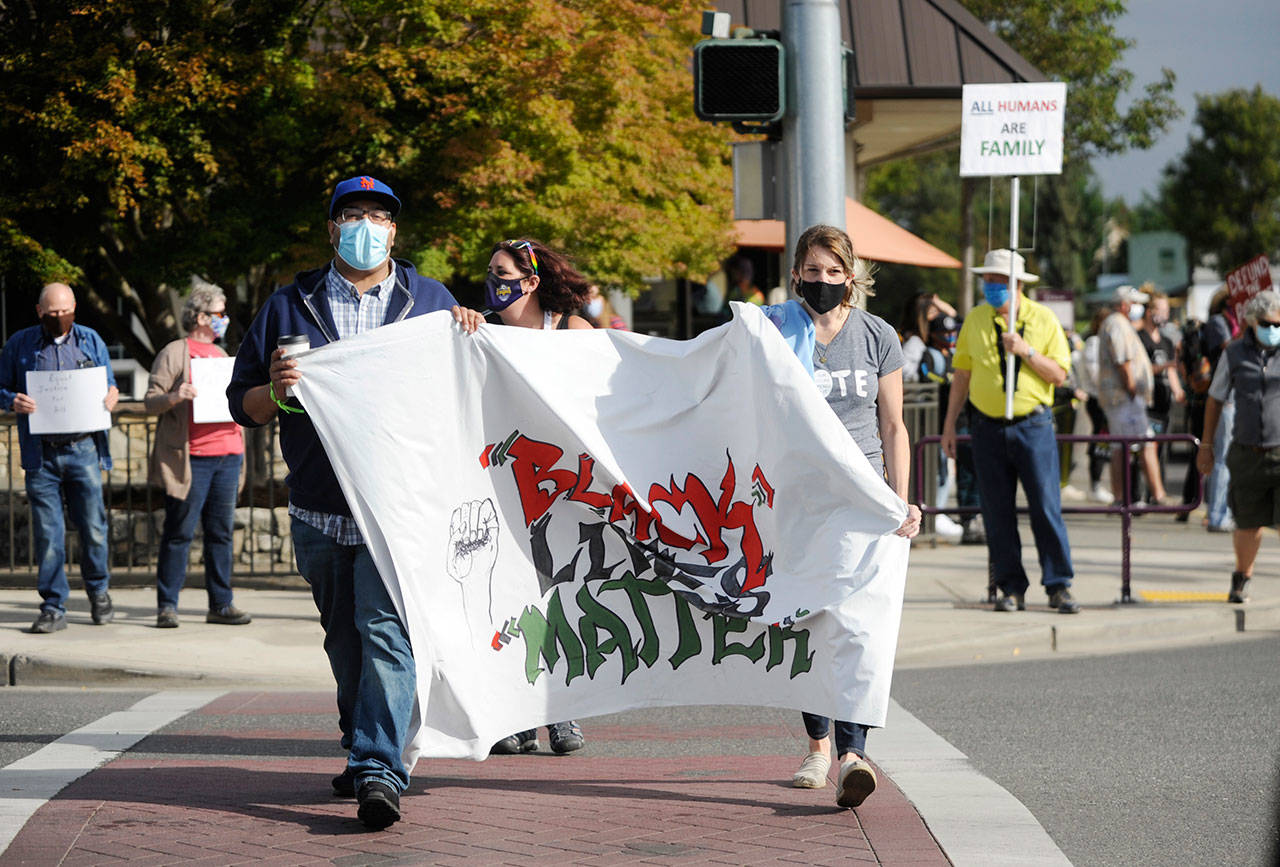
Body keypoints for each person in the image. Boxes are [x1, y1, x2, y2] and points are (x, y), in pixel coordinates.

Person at [227, 175, 483, 831]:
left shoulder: (429, 302)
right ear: (332, 228)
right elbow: (244, 402)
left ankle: (377, 769)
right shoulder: (290, 305)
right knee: (346, 644)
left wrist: (472, 329)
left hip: (397, 511)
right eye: (352, 214)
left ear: (395, 230)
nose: (365, 225)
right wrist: (274, 388)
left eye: (378, 215)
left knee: (385, 636)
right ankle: (364, 739)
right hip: (318, 508)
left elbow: (471, 379)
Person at [762, 224, 921, 810]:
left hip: (864, 500)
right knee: (810, 620)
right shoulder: (778, 328)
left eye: (834, 272)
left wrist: (903, 500)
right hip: (802, 494)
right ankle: (818, 746)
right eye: (812, 270)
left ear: (851, 276)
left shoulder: (878, 334)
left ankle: (855, 753)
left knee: (861, 625)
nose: (822, 281)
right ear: (797, 271)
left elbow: (893, 425)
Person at [479, 238, 591, 756]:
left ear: (530, 281)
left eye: (502, 272)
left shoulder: (571, 331)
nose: (491, 280)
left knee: (561, 596)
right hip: (503, 485)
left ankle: (561, 711)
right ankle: (514, 714)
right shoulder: (479, 332)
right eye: (489, 272)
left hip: (562, 486)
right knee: (507, 597)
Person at [940, 249, 1080, 615]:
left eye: (998, 281)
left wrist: (1026, 351)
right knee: (996, 512)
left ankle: (1058, 584)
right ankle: (1010, 586)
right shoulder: (975, 319)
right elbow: (962, 375)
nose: (991, 287)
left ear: (1017, 285)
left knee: (1045, 507)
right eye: (987, 280)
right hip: (986, 426)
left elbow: (1059, 375)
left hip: (1032, 425)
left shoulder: (1043, 319)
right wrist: (949, 425)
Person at [0, 283, 119, 634]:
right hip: (42, 454)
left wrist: (112, 394)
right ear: (40, 311)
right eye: (52, 314)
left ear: (74, 309)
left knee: (94, 528)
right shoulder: (20, 344)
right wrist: (11, 401)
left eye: (65, 312)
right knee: (49, 535)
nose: (59, 318)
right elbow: (1, 387)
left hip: (83, 448)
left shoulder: (90, 340)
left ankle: (98, 592)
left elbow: (109, 383)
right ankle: (53, 606)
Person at [145, 281, 250, 629]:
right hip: (193, 460)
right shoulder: (176, 352)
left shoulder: (221, 356)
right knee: (180, 533)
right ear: (202, 316)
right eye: (219, 313)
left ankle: (221, 603)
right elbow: (151, 401)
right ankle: (167, 606)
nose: (224, 320)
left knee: (220, 534)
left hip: (228, 455)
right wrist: (176, 395)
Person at [1197, 289, 1280, 603]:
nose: (1274, 330)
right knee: (1248, 524)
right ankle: (1242, 576)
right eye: (1268, 323)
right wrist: (1206, 445)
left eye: (1279, 324)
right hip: (1247, 452)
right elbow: (1215, 399)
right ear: (1252, 321)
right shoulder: (1233, 353)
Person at [1096, 285, 1170, 506]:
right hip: (1124, 398)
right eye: (1136, 303)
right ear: (1124, 305)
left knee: (1124, 445)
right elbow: (1123, 361)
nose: (1140, 307)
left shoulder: (1119, 324)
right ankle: (1155, 495)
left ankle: (1127, 496)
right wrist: (1131, 390)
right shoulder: (1117, 324)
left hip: (1123, 398)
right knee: (1142, 443)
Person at [1136, 289, 1184, 501]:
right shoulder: (1139, 338)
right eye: (1161, 310)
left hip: (1163, 405)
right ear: (1149, 311)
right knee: (1145, 449)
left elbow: (1171, 370)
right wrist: (1163, 366)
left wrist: (1178, 391)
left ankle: (1157, 493)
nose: (1164, 315)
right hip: (1146, 403)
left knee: (1161, 450)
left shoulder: (1166, 341)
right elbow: (1140, 369)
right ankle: (1140, 494)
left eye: (1167, 311)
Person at [1202, 288, 1239, 532]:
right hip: (1224, 396)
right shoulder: (1218, 322)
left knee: (1230, 459)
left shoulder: (1236, 322)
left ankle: (1224, 511)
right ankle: (1216, 513)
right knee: (1221, 458)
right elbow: (1229, 348)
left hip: (1236, 397)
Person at [1079, 306, 1114, 504]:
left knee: (1105, 441)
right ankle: (1095, 484)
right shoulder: (1094, 342)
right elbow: (1095, 373)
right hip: (1098, 398)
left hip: (1107, 398)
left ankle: (1100, 483)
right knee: (1100, 440)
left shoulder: (1106, 342)